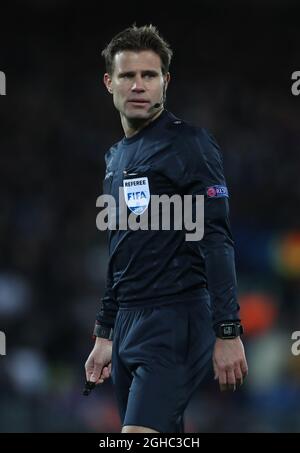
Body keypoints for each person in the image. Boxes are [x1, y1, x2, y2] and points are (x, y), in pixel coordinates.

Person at [85, 24, 248, 434]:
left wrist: (227, 330)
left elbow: (216, 238)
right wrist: (105, 332)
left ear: (165, 82)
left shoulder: (190, 145)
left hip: (177, 317)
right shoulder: (114, 158)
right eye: (127, 76)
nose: (138, 85)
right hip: (127, 325)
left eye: (149, 75)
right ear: (109, 83)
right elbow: (119, 249)